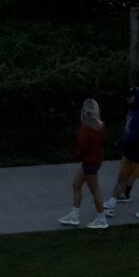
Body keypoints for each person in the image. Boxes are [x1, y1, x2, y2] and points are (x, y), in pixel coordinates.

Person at [103, 86, 139, 219]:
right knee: (122, 177)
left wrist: (119, 142)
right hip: (129, 153)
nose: (127, 98)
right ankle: (112, 203)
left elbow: (134, 136)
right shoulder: (133, 111)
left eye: (131, 96)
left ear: (137, 98)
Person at [59, 98, 108, 229]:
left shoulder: (85, 129)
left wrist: (75, 154)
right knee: (76, 184)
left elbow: (81, 147)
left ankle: (101, 217)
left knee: (94, 190)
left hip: (89, 163)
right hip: (95, 161)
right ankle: (74, 215)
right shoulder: (100, 126)